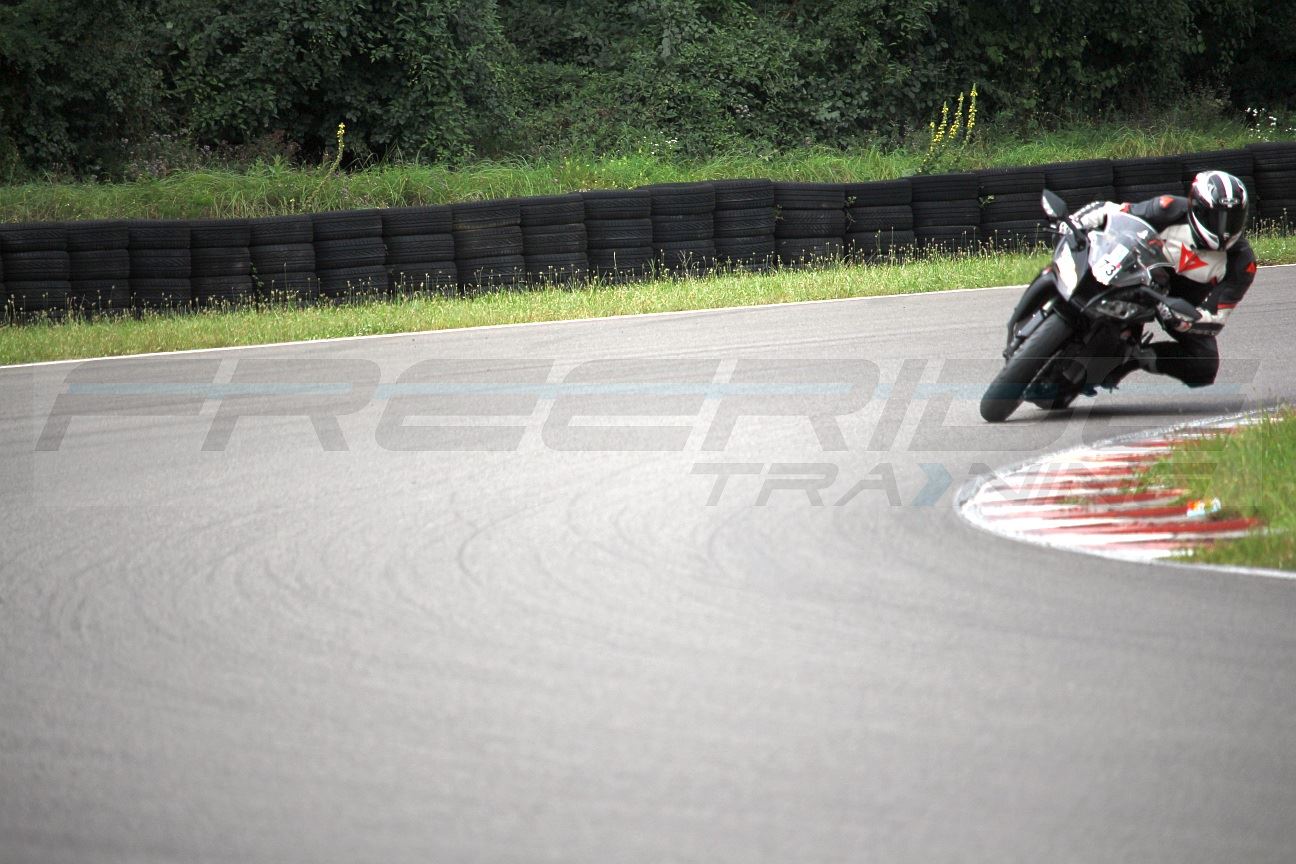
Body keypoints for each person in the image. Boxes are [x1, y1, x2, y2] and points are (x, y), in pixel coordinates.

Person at [1007, 170, 1256, 390]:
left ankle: (1135, 358)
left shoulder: (1242, 262)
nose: (1224, 229)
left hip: (1179, 307)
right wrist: (1074, 222)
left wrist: (1184, 320)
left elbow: (1217, 316)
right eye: (1217, 218)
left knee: (1205, 365)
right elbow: (1113, 211)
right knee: (1065, 265)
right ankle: (1027, 315)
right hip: (1137, 276)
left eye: (1232, 219)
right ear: (1198, 209)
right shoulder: (1168, 208)